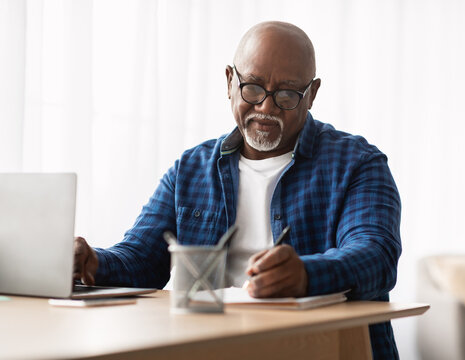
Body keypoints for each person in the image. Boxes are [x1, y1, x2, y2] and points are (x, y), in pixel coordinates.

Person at [73, 21, 402, 359]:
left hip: (321, 348)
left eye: (287, 94)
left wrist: (305, 275)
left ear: (312, 94)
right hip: (215, 347)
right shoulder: (191, 169)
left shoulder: (358, 164)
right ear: (230, 81)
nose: (266, 107)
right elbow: (141, 258)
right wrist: (92, 263)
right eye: (253, 88)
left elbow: (376, 256)